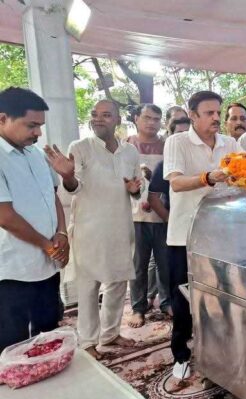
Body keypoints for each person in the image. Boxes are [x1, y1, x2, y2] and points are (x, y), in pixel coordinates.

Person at [46, 99, 141, 359]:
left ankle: (110, 333)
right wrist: (67, 176)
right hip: (89, 228)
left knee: (118, 281)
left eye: (106, 115)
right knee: (89, 286)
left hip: (120, 225)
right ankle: (88, 341)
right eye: (94, 114)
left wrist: (135, 190)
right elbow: (74, 189)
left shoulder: (130, 151)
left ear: (118, 120)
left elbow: (136, 188)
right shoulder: (80, 147)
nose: (98, 118)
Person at [163, 91, 244, 379]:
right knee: (183, 296)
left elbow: (243, 176)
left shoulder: (230, 144)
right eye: (209, 113)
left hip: (221, 234)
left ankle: (222, 349)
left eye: (218, 113)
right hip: (184, 234)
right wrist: (207, 178)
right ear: (193, 115)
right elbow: (176, 183)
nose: (215, 118)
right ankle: (181, 354)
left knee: (222, 292)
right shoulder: (178, 142)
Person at [0, 87, 68, 352]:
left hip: (47, 265)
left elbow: (53, 197)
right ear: (3, 118)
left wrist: (61, 234)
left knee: (48, 333)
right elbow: (5, 216)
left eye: (40, 126)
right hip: (13, 270)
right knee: (12, 344)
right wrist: (47, 245)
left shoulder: (36, 154)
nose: (38, 133)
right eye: (31, 125)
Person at [126, 104, 171, 327]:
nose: (152, 123)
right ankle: (138, 307)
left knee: (165, 263)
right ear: (136, 118)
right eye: (147, 118)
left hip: (163, 213)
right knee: (138, 265)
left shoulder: (167, 145)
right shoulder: (127, 145)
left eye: (156, 119)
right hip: (135, 216)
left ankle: (167, 302)